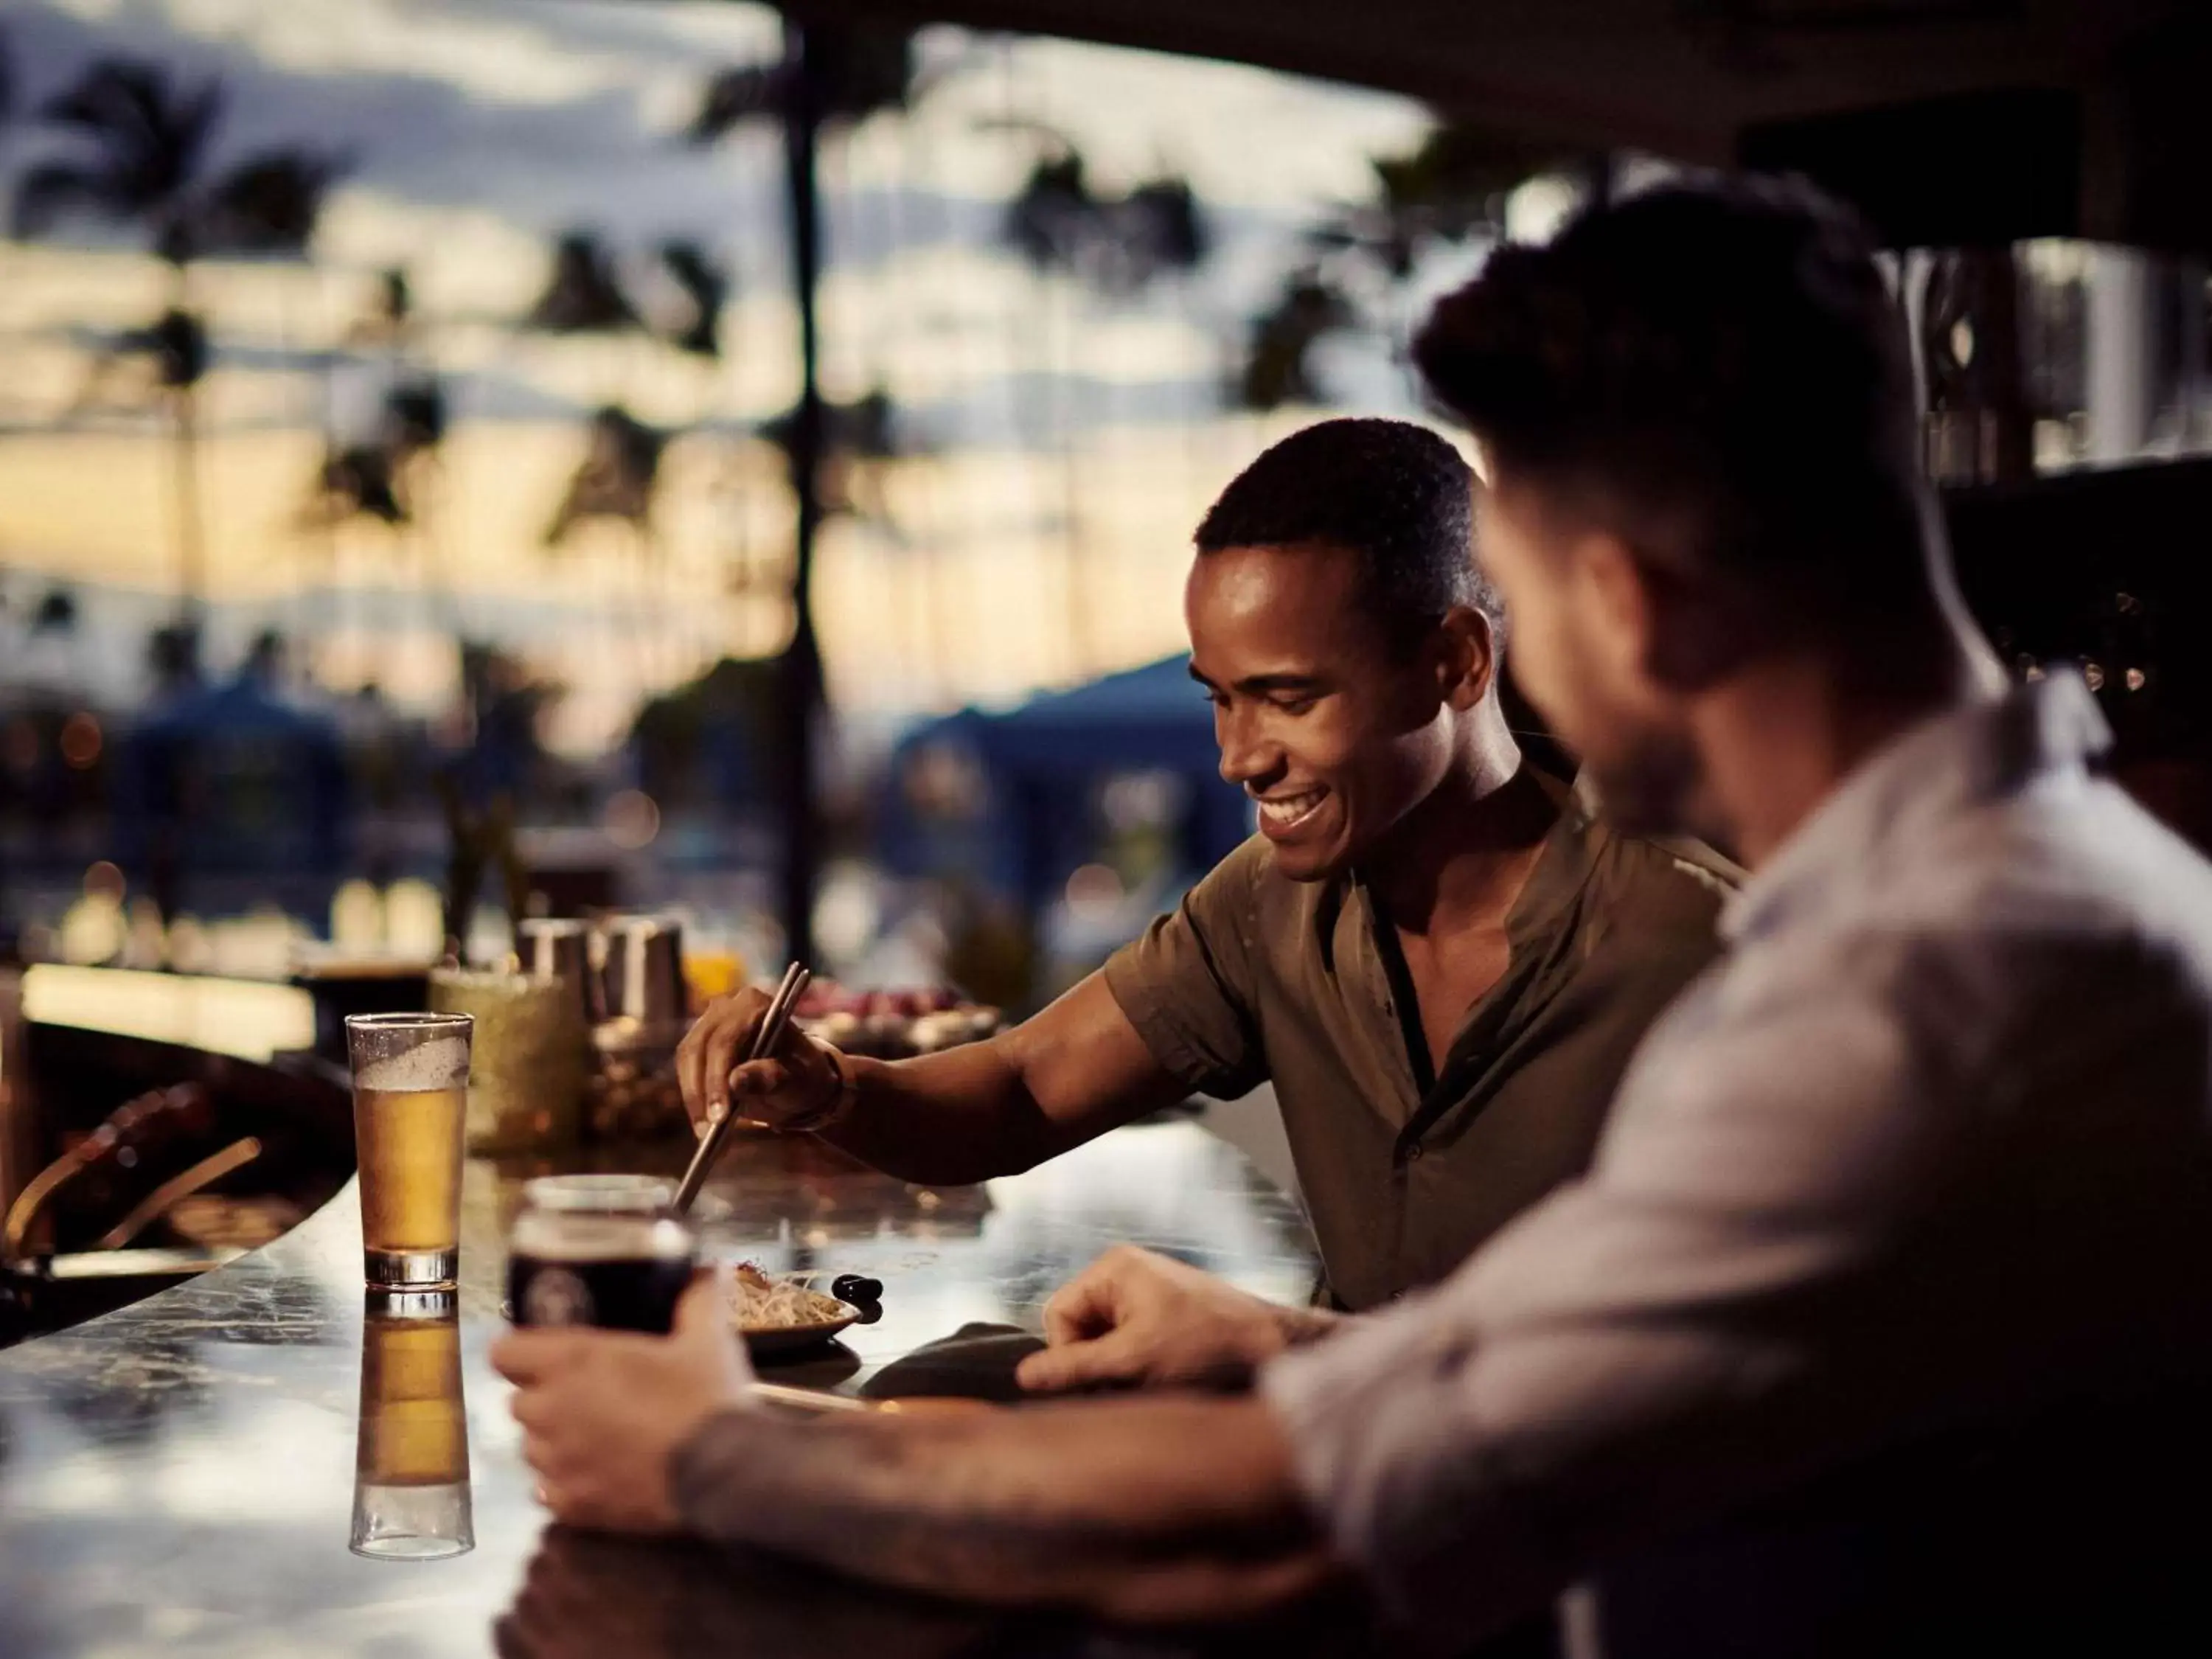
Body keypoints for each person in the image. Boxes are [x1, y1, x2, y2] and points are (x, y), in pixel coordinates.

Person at [494, 175, 2212, 1652]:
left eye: (1526, 603)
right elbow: (1556, 1387)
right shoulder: (2074, 898)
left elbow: (1301, 1533)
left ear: (1609, 604)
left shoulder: (1902, 1005)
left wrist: (711, 1454)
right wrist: (1282, 1340)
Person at [679, 416, 1726, 1349]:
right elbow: (1024, 1088)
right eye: (1221, 699)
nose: (1239, 756)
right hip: (1341, 1482)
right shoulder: (1272, 901)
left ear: (1456, 663)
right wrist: (832, 1086)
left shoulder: (1696, 947)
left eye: (1286, 697)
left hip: (1599, 1540)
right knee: (950, 1383)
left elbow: (1708, 1390)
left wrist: (1272, 1342)